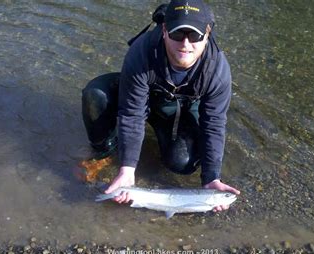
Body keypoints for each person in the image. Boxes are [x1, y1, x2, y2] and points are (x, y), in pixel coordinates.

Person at [81, 0, 240, 212]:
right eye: (177, 34)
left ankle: (160, 142)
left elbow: (214, 124)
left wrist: (212, 177)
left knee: (182, 163)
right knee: (96, 95)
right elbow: (132, 113)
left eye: (194, 36)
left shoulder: (217, 71)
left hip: (179, 110)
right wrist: (128, 169)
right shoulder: (142, 52)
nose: (185, 44)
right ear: (164, 30)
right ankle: (103, 154)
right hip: (140, 99)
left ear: (207, 35)